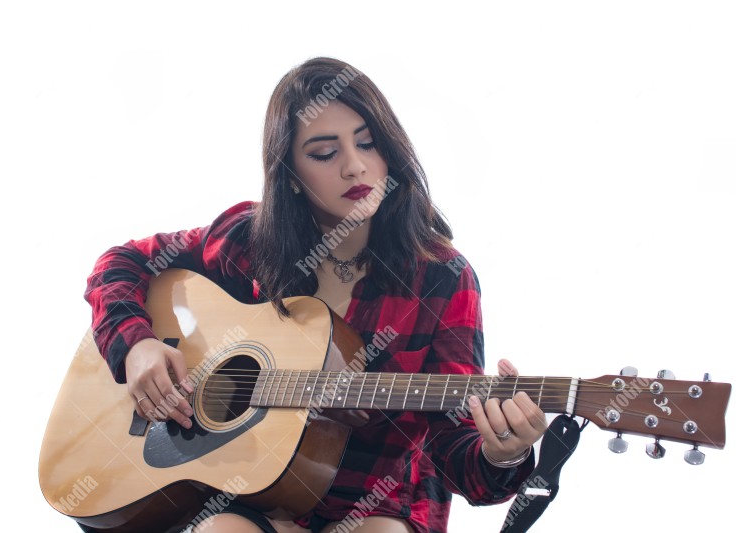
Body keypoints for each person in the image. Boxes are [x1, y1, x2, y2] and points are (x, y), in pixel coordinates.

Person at [84, 57, 548, 533]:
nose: (355, 166)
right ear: (288, 174)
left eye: (368, 143)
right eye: (325, 153)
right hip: (246, 492)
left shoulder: (443, 278)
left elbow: (457, 457)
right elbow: (122, 262)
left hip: (380, 503)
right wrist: (135, 345)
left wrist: (501, 454)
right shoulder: (247, 239)